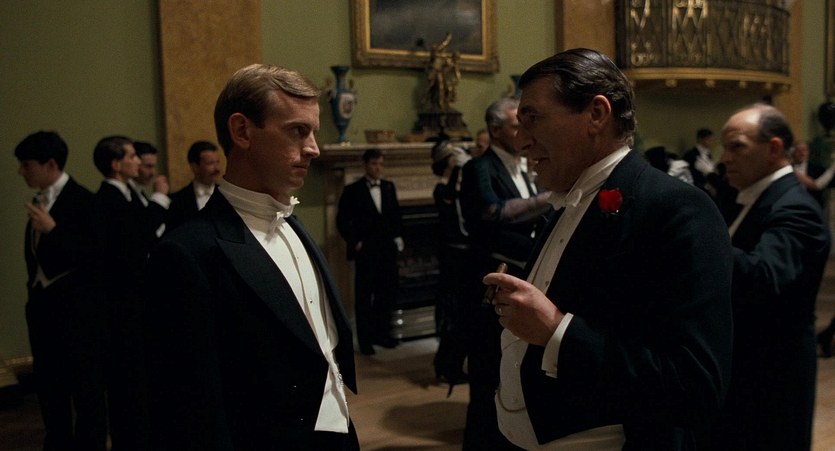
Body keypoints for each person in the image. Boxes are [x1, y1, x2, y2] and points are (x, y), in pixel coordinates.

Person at [483, 48, 734, 449]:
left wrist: (557, 331)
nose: (520, 139)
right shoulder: (567, 199)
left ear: (597, 114)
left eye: (532, 118)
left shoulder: (679, 209)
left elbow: (695, 386)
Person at [143, 64, 358, 450]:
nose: (314, 148)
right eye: (298, 131)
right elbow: (193, 407)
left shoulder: (295, 226)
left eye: (313, 132)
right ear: (242, 131)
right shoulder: (185, 253)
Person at [711, 103, 831, 450]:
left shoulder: (796, 207)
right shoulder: (746, 196)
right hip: (743, 367)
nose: (725, 158)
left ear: (774, 148)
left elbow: (763, 277)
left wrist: (696, 240)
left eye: (737, 147)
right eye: (724, 147)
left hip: (773, 374)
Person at [458, 96, 551, 449]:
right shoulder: (478, 167)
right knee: (486, 370)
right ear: (495, 130)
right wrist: (550, 197)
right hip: (488, 282)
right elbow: (492, 213)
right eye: (516, 125)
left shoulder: (525, 165)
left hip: (521, 278)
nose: (524, 132)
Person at [15, 131, 108, 451]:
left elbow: (96, 257)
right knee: (50, 392)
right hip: (43, 315)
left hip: (79, 317)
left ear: (51, 164)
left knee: (87, 395)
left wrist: (52, 231)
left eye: (27, 164)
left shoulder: (86, 201)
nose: (21, 171)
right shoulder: (40, 200)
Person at [93, 135, 164, 450]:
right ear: (116, 164)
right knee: (127, 382)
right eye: (132, 156)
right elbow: (134, 240)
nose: (138, 161)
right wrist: (160, 201)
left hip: (135, 302)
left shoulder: (128, 193)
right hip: (122, 306)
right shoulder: (108, 199)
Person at [336, 148, 404, 355]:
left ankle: (382, 334)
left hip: (387, 250)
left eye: (381, 164)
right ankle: (365, 341)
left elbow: (395, 215)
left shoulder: (389, 187)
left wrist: (398, 237)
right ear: (365, 165)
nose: (378, 168)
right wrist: (355, 242)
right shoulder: (353, 190)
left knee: (386, 293)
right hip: (366, 250)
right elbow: (342, 220)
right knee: (364, 296)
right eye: (374, 164)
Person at [430, 140, 471, 389]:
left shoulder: (456, 185)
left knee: (461, 315)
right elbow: (449, 198)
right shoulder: (441, 189)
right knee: (453, 314)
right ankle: (447, 367)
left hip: (462, 257)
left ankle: (451, 365)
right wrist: (458, 169)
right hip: (453, 260)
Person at [165, 140, 222, 231]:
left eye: (218, 162)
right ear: (195, 167)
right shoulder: (177, 201)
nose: (217, 169)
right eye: (210, 163)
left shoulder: (226, 195)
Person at [131, 140, 170, 237]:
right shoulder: (127, 193)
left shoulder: (139, 191)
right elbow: (145, 228)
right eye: (148, 166)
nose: (153, 172)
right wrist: (159, 195)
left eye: (153, 166)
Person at [792, 140, 828, 206]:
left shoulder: (817, 169)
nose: (802, 153)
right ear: (793, 153)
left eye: (804, 150)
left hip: (813, 207)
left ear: (808, 152)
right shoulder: (787, 169)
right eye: (798, 151)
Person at [683, 128, 717, 192]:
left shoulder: (708, 154)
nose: (711, 142)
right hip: (696, 187)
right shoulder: (691, 154)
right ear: (700, 139)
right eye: (708, 139)